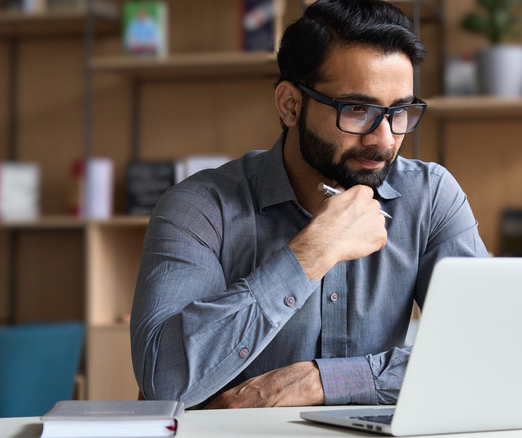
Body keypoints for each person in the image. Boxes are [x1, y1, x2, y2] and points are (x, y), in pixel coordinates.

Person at [130, 0, 489, 410]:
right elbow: (164, 382)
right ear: (290, 105)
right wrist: (311, 252)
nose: (385, 139)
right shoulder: (198, 209)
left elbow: (488, 351)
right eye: (358, 110)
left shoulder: (431, 197)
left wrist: (319, 381)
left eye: (399, 112)